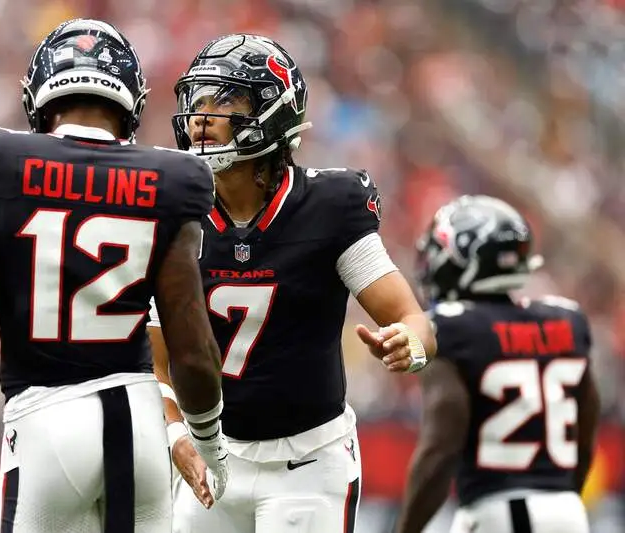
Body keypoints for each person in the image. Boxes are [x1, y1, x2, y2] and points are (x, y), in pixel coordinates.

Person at [0, 19, 227, 533]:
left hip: (45, 420)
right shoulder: (175, 179)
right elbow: (193, 352)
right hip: (139, 419)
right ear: (131, 102)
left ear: (38, 97)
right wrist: (204, 438)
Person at [146, 33, 437, 532]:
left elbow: (413, 319)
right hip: (212, 459)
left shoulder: (329, 207)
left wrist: (409, 343)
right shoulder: (174, 211)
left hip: (307, 464)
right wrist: (176, 435)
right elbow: (156, 364)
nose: (201, 115)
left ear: (273, 113)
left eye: (225, 99)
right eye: (197, 100)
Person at [396, 195, 601, 533]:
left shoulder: (451, 327)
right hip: (568, 511)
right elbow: (585, 434)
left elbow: (441, 448)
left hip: (500, 511)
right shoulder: (568, 320)